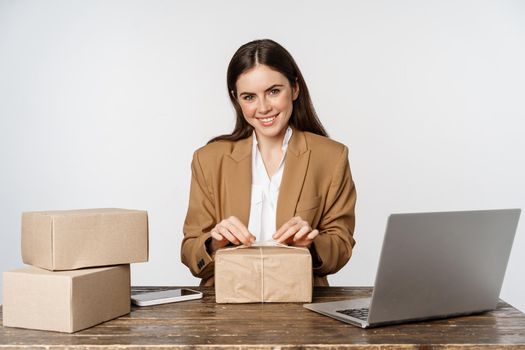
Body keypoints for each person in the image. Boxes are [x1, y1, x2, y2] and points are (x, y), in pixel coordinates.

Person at [181, 39, 356, 286]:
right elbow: (190, 252)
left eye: (274, 91)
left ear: (295, 89)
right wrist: (214, 243)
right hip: (226, 304)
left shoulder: (331, 157)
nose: (263, 108)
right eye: (249, 97)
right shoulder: (209, 159)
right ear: (237, 100)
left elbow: (341, 245)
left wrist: (311, 244)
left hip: (300, 303)